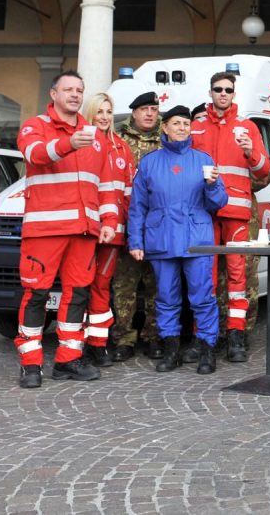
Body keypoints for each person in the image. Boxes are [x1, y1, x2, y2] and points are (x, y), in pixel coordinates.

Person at [15, 70, 119, 388]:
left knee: (77, 296)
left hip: (84, 231)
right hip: (45, 229)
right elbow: (34, 154)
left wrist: (109, 222)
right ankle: (30, 364)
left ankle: (68, 360)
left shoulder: (95, 137)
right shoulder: (36, 126)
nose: (74, 94)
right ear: (53, 94)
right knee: (36, 294)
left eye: (79, 90)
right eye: (68, 89)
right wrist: (68, 143)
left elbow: (105, 186)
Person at [127, 106, 229, 374]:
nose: (182, 128)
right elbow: (138, 206)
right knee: (166, 298)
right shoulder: (149, 163)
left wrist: (213, 185)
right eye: (176, 123)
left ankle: (207, 349)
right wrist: (135, 241)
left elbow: (218, 203)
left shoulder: (203, 160)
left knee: (202, 296)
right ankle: (171, 349)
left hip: (196, 239)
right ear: (165, 128)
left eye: (186, 123)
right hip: (162, 238)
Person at [191, 70, 270, 363]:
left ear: (234, 94)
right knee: (204, 278)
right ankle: (205, 338)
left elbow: (264, 170)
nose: (222, 94)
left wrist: (251, 153)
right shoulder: (196, 128)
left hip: (236, 214)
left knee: (237, 278)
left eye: (227, 89)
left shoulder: (247, 127)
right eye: (217, 89)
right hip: (204, 214)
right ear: (210, 92)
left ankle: (236, 337)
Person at [80, 92, 135, 369]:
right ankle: (75, 345)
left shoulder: (122, 148)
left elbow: (128, 195)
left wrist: (129, 231)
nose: (104, 117)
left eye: (108, 111)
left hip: (113, 233)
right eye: (99, 111)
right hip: (85, 229)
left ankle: (98, 345)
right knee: (79, 287)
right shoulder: (80, 144)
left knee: (101, 286)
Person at [110, 91, 164, 362]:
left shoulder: (166, 140)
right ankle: (124, 338)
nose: (149, 114)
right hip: (126, 222)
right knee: (124, 286)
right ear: (134, 112)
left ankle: (153, 337)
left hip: (157, 225)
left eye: (153, 109)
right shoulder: (118, 139)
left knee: (157, 286)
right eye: (144, 109)